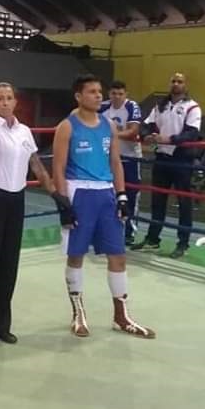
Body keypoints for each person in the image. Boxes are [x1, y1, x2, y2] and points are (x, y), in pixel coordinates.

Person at [52, 74, 154, 339]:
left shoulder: (108, 125)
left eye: (100, 92)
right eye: (92, 92)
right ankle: (78, 313)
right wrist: (63, 203)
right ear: (78, 96)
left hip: (106, 195)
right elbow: (58, 168)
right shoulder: (67, 126)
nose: (99, 96)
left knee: (118, 255)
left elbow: (116, 163)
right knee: (76, 255)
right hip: (78, 192)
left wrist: (122, 195)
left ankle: (122, 316)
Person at [0, 83, 57, 346]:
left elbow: (36, 164)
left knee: (9, 265)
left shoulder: (24, 131)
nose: (5, 102)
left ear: (15, 102)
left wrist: (56, 193)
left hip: (17, 201)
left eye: (9, 98)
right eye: (0, 98)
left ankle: (2, 325)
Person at [132, 72, 202, 259]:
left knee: (184, 203)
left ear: (185, 85)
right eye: (173, 81)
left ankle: (183, 243)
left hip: (182, 160)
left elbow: (192, 134)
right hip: (162, 158)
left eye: (180, 81)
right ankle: (153, 239)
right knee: (157, 201)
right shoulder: (160, 105)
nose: (176, 84)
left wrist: (169, 139)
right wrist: (147, 135)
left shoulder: (192, 107)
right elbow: (145, 125)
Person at [98, 80, 143, 246]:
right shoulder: (103, 107)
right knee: (107, 194)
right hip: (107, 157)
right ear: (109, 94)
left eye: (120, 94)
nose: (117, 97)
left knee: (130, 194)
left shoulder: (131, 106)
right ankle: (107, 229)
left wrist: (111, 134)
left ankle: (129, 231)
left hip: (129, 156)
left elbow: (133, 131)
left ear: (126, 94)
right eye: (114, 93)